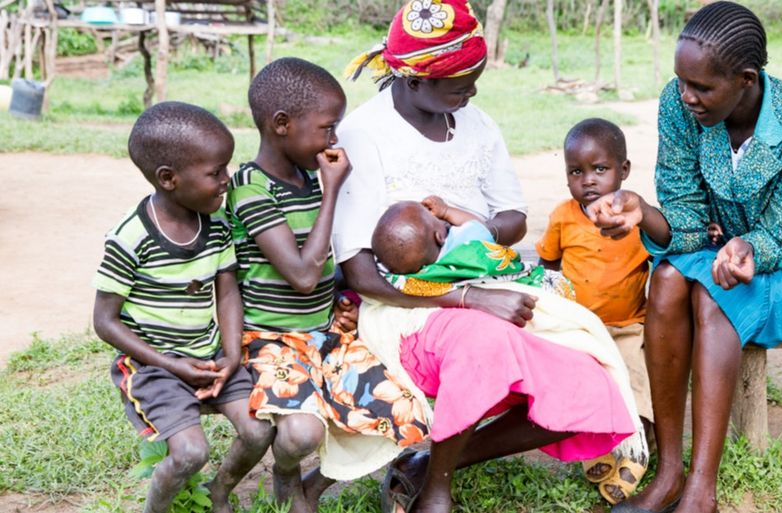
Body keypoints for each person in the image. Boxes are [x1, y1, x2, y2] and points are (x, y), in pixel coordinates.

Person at [335, 2, 642, 512]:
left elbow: (514, 218)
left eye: (474, 80)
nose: (472, 92)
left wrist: (467, 230)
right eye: (459, 84)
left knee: (590, 373)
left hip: (494, 287)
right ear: (412, 81)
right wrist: (470, 295)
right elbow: (362, 273)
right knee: (486, 342)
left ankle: (425, 463)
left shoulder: (477, 124)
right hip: (404, 306)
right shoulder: (364, 136)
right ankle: (437, 491)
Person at [588, 3, 782, 512]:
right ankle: (668, 473)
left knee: (713, 297)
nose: (686, 96)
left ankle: (700, 491)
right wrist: (640, 209)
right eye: (681, 82)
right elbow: (688, 223)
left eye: (702, 88)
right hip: (718, 252)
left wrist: (750, 246)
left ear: (746, 78)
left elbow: (781, 231)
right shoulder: (680, 105)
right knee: (667, 278)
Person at [226, 57, 428, 513]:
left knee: (407, 413)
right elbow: (301, 275)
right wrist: (332, 190)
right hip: (269, 339)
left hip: (325, 335)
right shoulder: (251, 188)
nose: (334, 140)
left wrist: (346, 297)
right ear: (282, 124)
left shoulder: (308, 179)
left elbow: (328, 267)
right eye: (327, 128)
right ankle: (285, 472)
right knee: (301, 434)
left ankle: (310, 483)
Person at [91, 102, 274, 513]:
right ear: (169, 179)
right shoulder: (130, 237)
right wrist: (173, 366)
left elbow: (227, 291)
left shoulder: (217, 224)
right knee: (190, 453)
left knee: (258, 431)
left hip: (209, 356)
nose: (227, 180)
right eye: (215, 172)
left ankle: (219, 492)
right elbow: (104, 321)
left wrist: (230, 356)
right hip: (153, 365)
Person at [535, 118, 653, 505]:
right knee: (586, 387)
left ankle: (637, 448)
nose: (587, 180)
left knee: (635, 384)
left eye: (599, 169)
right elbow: (549, 265)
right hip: (580, 330)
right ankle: (597, 448)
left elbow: (668, 249)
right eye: (576, 171)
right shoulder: (563, 217)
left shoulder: (636, 220)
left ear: (624, 170)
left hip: (627, 326)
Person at [372, 197, 493, 275]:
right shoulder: (461, 242)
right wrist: (446, 212)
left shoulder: (412, 278)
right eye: (431, 216)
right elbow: (482, 228)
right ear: (439, 238)